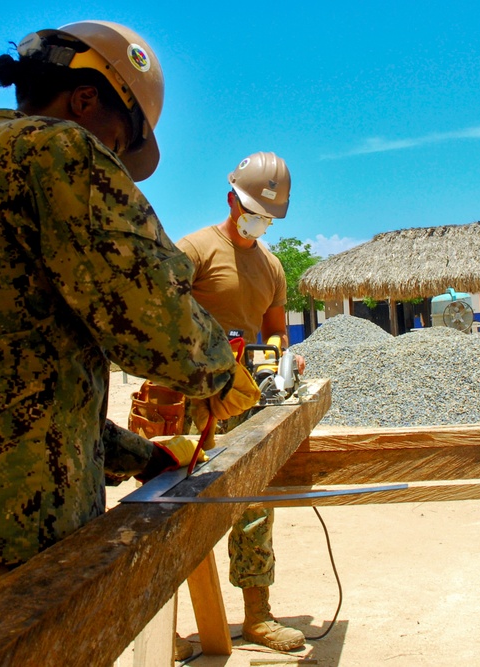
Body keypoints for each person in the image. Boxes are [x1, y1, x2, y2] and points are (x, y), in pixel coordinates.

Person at [0, 20, 259, 620]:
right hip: (18, 508)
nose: (112, 157)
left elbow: (15, 381)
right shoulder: (53, 150)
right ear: (85, 99)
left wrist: (143, 457)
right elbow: (144, 300)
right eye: (117, 142)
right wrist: (219, 373)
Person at [176, 151, 306, 651]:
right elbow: (159, 317)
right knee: (174, 509)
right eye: (253, 210)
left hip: (247, 397)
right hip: (191, 399)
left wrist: (284, 362)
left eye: (268, 215)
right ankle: (166, 629)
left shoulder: (271, 266)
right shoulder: (194, 251)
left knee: (254, 501)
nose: (259, 221)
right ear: (233, 199)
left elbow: (275, 335)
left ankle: (257, 615)